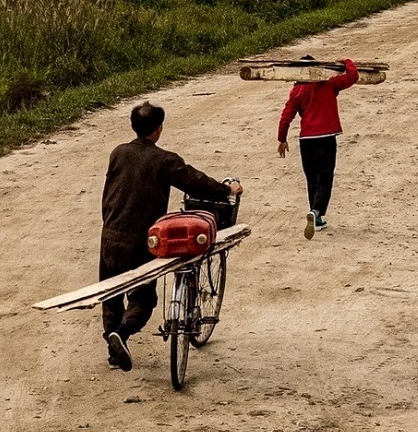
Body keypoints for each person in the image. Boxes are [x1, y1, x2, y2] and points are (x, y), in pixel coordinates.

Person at [100, 101, 243, 373]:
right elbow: (195, 181)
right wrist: (227, 190)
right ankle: (123, 331)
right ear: (158, 130)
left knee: (111, 292)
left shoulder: (117, 153)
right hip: (143, 239)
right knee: (143, 298)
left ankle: (113, 348)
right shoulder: (165, 160)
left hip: (110, 234)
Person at [278, 56, 360, 239]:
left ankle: (316, 216)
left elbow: (285, 117)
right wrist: (346, 61)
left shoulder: (296, 91)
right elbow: (353, 76)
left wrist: (282, 139)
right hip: (326, 137)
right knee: (325, 177)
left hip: (306, 139)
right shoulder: (328, 84)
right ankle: (316, 213)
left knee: (312, 179)